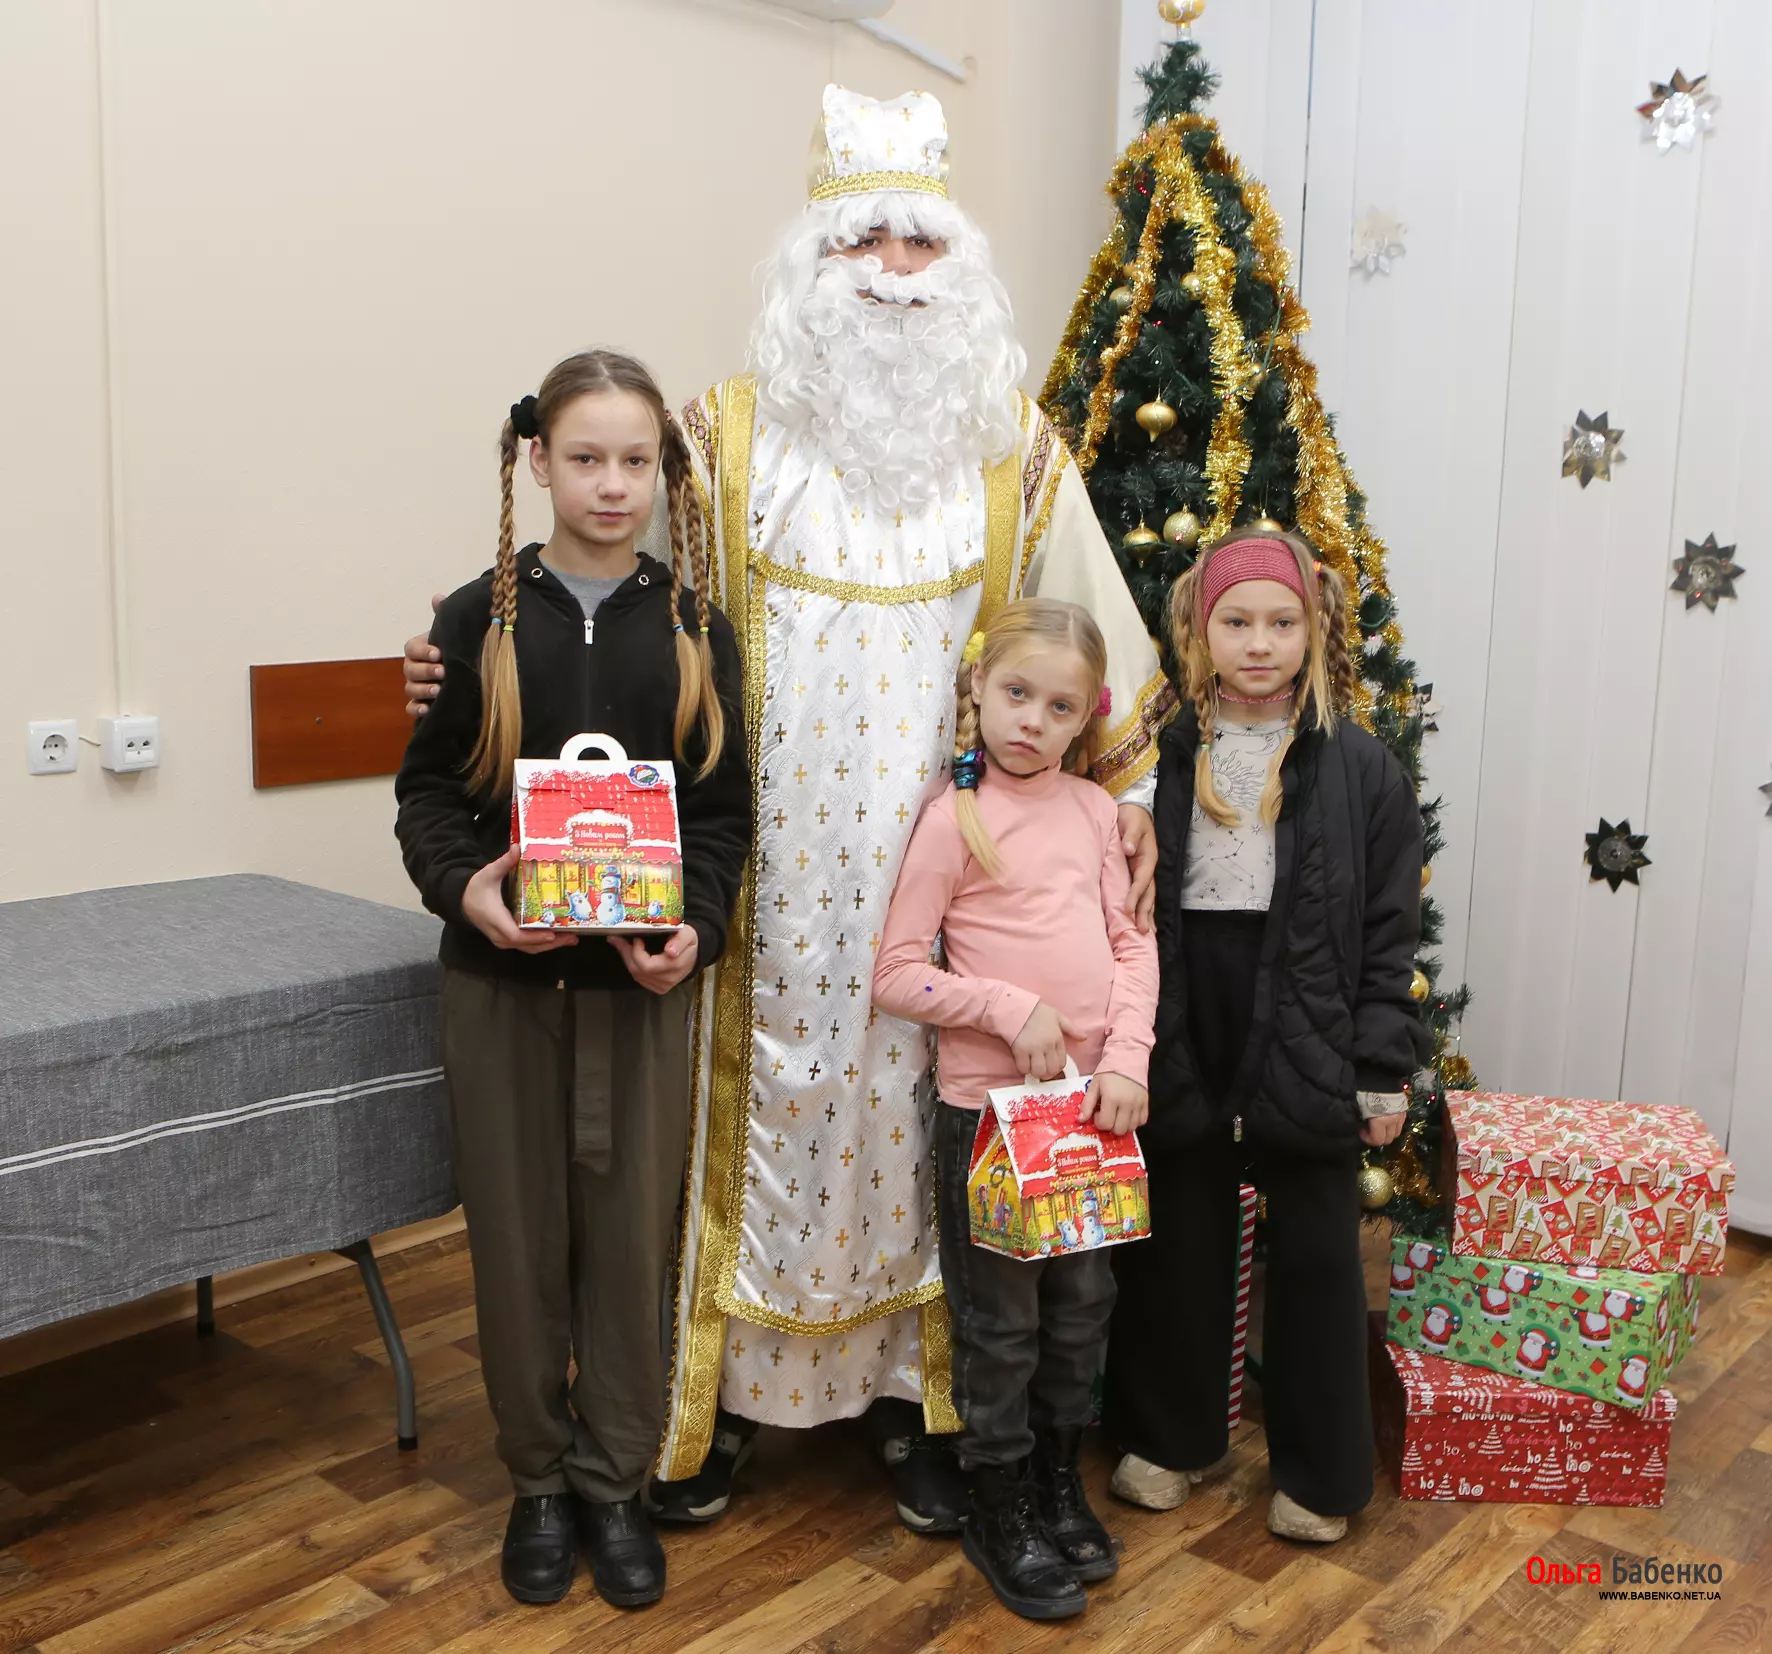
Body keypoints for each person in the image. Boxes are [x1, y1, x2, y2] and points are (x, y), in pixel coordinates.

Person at [404, 85, 1174, 1534]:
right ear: (810, 260)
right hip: (763, 886)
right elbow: (593, 601)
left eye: (920, 242)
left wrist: (1123, 793)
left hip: (958, 881)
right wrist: (452, 655)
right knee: (758, 1125)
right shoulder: (717, 440)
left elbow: (1086, 640)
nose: (893, 271)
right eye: (862, 239)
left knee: (920, 1126)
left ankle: (921, 1404)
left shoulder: (1014, 449)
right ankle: (725, 1406)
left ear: (958, 266)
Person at [394, 350, 750, 1608]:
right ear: (537, 461)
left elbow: (721, 817)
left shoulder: (695, 630)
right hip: (502, 994)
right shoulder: (471, 623)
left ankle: (613, 1483)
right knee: (515, 1244)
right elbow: (428, 800)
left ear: (663, 473)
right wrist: (470, 893)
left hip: (638, 1000)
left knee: (627, 1248)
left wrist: (694, 928)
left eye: (635, 461)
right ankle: (538, 1481)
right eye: (586, 457)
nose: (611, 484)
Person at [1102, 527, 1428, 1542]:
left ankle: (1320, 1475)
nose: (1258, 642)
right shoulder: (1158, 759)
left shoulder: (1361, 769)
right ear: (1200, 632)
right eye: (1236, 622)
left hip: (1311, 1020)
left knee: (1320, 1255)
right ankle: (1173, 1437)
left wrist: (1380, 1066)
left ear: (1312, 628)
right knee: (1177, 1236)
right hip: (1187, 1008)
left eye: (1280, 623)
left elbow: (1389, 933)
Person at [873, 598, 1158, 1620]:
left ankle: (1054, 1482)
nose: (1032, 720)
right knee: (1001, 1327)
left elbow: (1132, 947)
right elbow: (896, 974)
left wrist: (1125, 1059)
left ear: (1087, 717)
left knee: (1081, 1312)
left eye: (1059, 706)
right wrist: (1007, 1007)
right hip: (990, 1121)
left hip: (1091, 1118)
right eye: (1016, 694)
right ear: (980, 689)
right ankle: (998, 1505)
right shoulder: (952, 821)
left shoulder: (1094, 814)